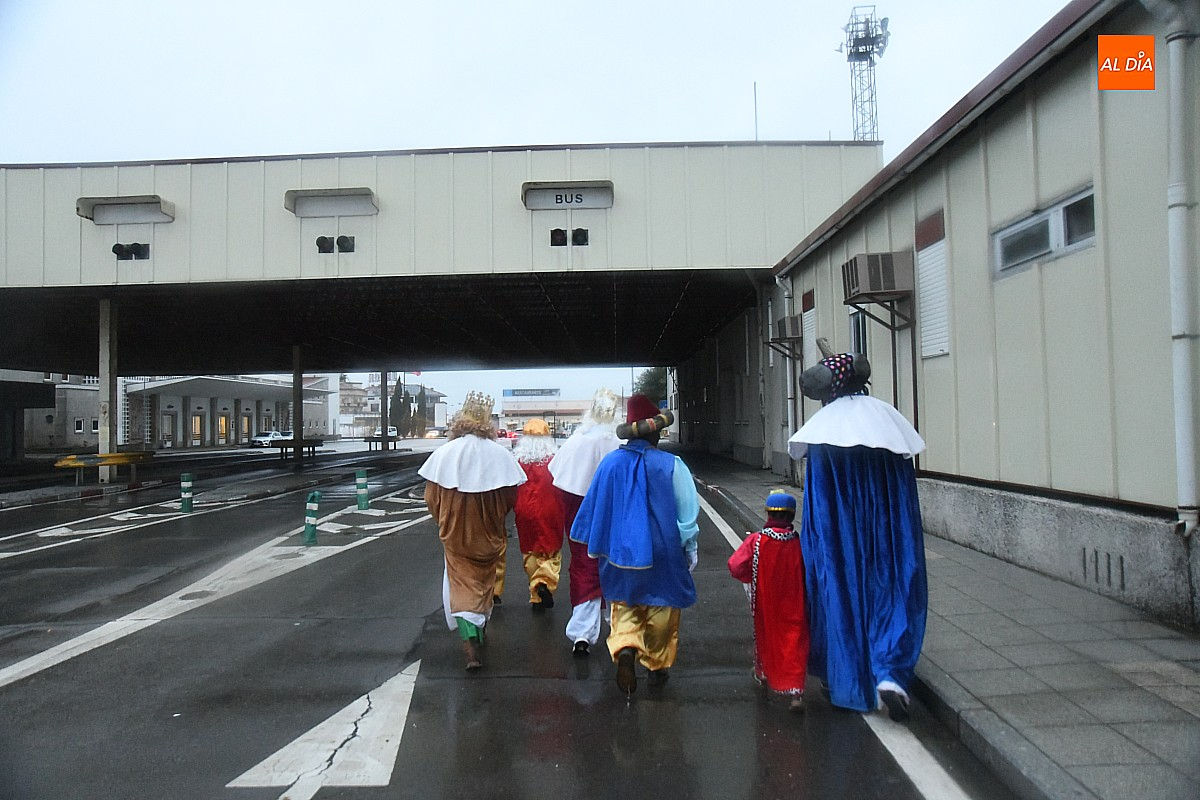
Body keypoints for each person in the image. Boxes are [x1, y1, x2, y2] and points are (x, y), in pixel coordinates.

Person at [787, 350, 926, 721]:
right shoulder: (886, 418)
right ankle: (891, 672)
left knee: (838, 587)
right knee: (893, 584)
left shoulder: (822, 429)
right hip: (886, 523)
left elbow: (819, 498)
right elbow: (902, 484)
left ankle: (846, 676)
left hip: (839, 528)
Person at [569, 394, 699, 698]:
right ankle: (656, 666)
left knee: (624, 606)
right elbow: (687, 513)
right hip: (662, 552)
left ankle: (626, 647)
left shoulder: (610, 464)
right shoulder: (673, 465)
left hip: (619, 553)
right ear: (654, 433)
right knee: (662, 610)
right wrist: (689, 545)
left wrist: (595, 542)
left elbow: (595, 507)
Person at [419, 391, 526, 671]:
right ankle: (479, 629)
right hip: (489, 533)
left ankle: (470, 645)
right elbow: (511, 497)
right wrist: (495, 514)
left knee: (461, 585)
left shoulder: (445, 454)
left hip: (455, 534)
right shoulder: (499, 454)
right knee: (484, 583)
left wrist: (444, 518)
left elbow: (431, 497)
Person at [548, 388, 622, 656]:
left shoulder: (575, 441)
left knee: (583, 567)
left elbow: (559, 479)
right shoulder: (619, 444)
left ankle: (582, 633)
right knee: (617, 567)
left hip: (581, 515)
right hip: (615, 516)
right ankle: (619, 628)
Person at [727, 492, 809, 712]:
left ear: (768, 513)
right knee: (794, 642)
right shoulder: (799, 543)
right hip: (795, 602)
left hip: (767, 601)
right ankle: (796, 693)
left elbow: (735, 565)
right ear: (792, 516)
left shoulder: (757, 540)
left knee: (767, 636)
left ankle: (763, 675)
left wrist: (750, 577)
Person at [512, 418, 565, 610]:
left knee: (530, 550)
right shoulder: (555, 459)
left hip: (524, 508)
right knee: (551, 549)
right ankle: (544, 582)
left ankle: (536, 593)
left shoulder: (517, 461)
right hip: (551, 507)